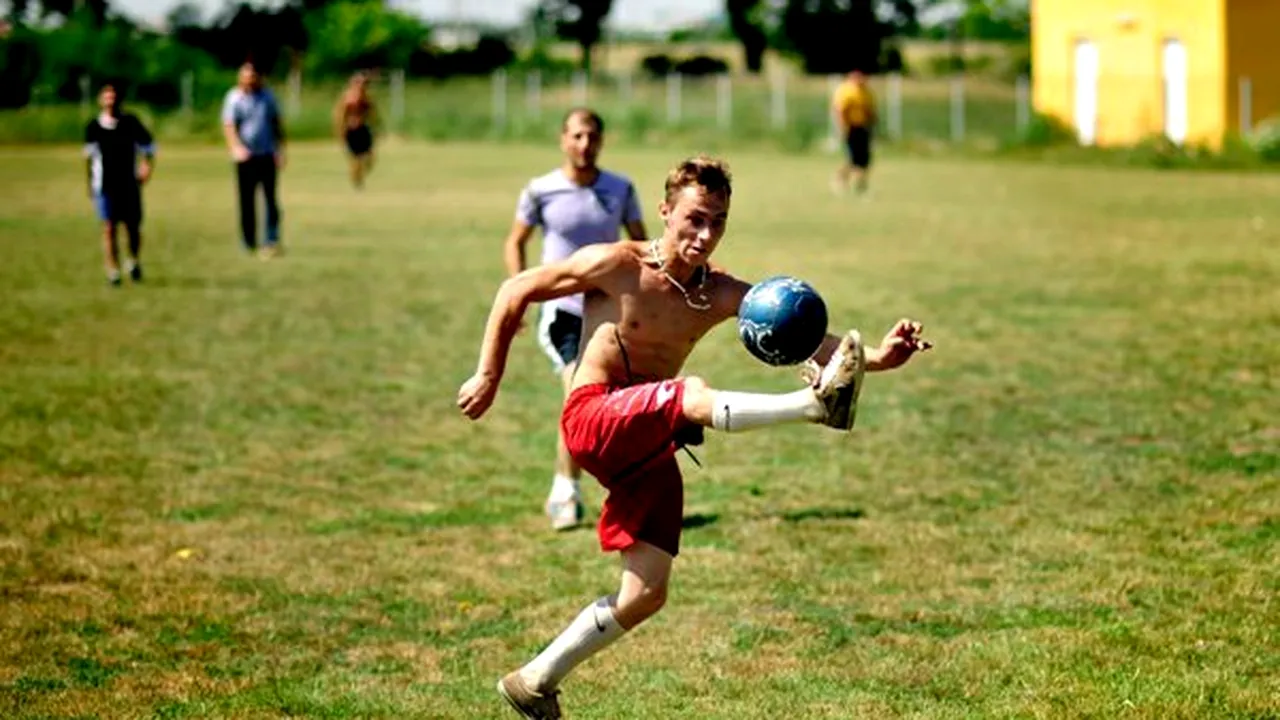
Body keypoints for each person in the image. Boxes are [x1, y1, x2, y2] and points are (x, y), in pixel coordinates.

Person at [458, 155, 931, 718]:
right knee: (691, 392)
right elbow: (516, 288)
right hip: (592, 417)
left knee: (647, 592)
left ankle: (536, 680)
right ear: (664, 212)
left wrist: (881, 356)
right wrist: (488, 373)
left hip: (650, 442)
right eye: (694, 219)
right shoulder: (617, 264)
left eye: (719, 221)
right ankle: (812, 406)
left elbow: (818, 343)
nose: (705, 235)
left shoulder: (721, 293)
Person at [504, 107, 647, 532]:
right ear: (563, 139)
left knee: (607, 407)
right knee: (577, 397)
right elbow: (516, 242)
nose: (585, 145)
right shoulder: (540, 190)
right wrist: (521, 293)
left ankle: (608, 491)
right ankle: (564, 490)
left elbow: (639, 244)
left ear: (601, 141)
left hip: (608, 317)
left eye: (593, 137)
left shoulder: (620, 189)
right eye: (577, 136)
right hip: (562, 313)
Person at [83, 82, 155, 286]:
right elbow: (89, 158)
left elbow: (149, 146)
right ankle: (113, 271)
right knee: (108, 227)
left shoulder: (131, 122)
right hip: (105, 186)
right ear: (100, 100)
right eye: (106, 96)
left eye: (114, 96)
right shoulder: (93, 127)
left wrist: (146, 166)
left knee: (132, 227)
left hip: (129, 184)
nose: (110, 100)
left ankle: (133, 261)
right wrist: (89, 182)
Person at [222, 61, 286, 259]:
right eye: (246, 77)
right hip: (245, 157)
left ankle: (271, 239)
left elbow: (276, 123)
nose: (250, 81)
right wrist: (236, 148)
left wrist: (280, 149)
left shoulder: (267, 96)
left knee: (270, 199)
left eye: (253, 77)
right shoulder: (234, 98)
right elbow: (229, 126)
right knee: (246, 201)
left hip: (266, 154)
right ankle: (248, 240)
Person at [831, 69, 878, 196]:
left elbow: (870, 110)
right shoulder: (847, 91)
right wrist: (842, 128)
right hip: (850, 127)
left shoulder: (866, 92)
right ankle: (840, 178)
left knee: (865, 159)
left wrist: (873, 126)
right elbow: (840, 111)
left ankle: (861, 186)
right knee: (852, 159)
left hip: (863, 127)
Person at [334, 71, 376, 189]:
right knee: (355, 158)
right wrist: (340, 130)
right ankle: (357, 181)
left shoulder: (367, 98)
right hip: (351, 130)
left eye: (365, 83)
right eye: (360, 83)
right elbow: (340, 115)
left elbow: (372, 113)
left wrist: (376, 127)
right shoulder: (348, 98)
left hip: (363, 129)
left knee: (370, 157)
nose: (363, 85)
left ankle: (359, 176)